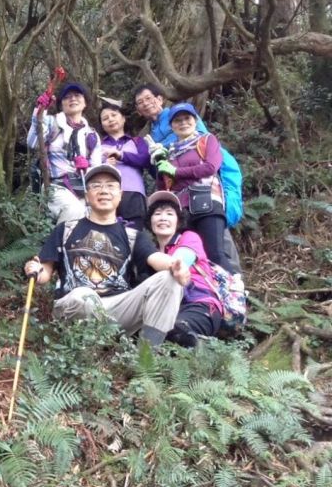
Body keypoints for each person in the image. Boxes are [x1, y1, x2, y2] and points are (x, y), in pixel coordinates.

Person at [23, 164, 189, 347]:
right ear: (87, 195)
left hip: (117, 308)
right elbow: (45, 271)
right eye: (96, 186)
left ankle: (146, 359)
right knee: (83, 296)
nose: (103, 191)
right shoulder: (66, 230)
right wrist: (36, 271)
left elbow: (155, 258)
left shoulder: (133, 236)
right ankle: (85, 348)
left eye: (110, 186)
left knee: (169, 279)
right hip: (76, 303)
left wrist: (174, 266)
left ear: (120, 195)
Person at [153, 103, 234, 273]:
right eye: (177, 120)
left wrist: (176, 171)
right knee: (189, 255)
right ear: (171, 126)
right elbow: (164, 186)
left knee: (215, 253)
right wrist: (160, 167)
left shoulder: (206, 140)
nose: (183, 123)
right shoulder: (169, 151)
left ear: (195, 120)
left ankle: (233, 293)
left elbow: (210, 167)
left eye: (187, 118)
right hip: (182, 208)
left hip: (207, 202)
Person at [145, 191, 223, 347]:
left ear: (178, 220)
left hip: (200, 304)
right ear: (150, 221)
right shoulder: (150, 251)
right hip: (168, 309)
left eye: (169, 214)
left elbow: (178, 264)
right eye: (157, 214)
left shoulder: (189, 238)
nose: (163, 218)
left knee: (175, 331)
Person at [28, 82, 99, 223]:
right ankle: (60, 244)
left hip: (82, 188)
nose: (72, 99)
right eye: (67, 97)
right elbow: (33, 142)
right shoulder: (51, 122)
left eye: (77, 95)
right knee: (75, 211)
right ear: (61, 104)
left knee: (93, 218)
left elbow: (96, 169)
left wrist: (87, 168)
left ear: (85, 102)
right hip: (56, 185)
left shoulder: (91, 135)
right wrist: (39, 112)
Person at [90, 97, 151, 229]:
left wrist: (121, 155)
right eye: (105, 118)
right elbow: (91, 168)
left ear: (123, 118)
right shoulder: (98, 145)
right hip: (106, 195)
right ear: (102, 125)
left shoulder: (137, 141)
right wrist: (105, 164)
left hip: (133, 194)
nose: (110, 119)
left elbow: (145, 160)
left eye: (114, 115)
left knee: (133, 235)